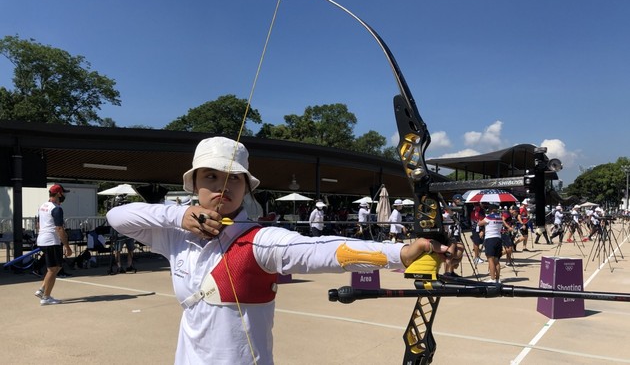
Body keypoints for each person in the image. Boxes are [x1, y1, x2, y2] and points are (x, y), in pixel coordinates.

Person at [106, 136, 449, 365]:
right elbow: (117, 216)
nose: (221, 186)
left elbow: (325, 250)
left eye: (232, 178)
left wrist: (400, 254)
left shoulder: (260, 240)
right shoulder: (177, 238)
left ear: (246, 187)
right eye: (209, 177)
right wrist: (179, 214)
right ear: (194, 184)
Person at [34, 184, 73, 305]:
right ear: (58, 194)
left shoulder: (42, 206)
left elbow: (38, 225)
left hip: (43, 239)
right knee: (52, 269)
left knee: (58, 266)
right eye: (63, 193)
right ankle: (46, 297)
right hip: (51, 241)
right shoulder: (56, 209)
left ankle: (42, 290)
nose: (64, 196)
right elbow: (59, 228)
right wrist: (67, 246)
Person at [477, 204, 504, 283]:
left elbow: (480, 223)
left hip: (490, 238)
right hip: (498, 238)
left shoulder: (489, 217)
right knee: (496, 260)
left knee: (490, 260)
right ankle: (498, 279)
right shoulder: (500, 217)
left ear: (490, 210)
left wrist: (480, 220)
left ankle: (492, 279)